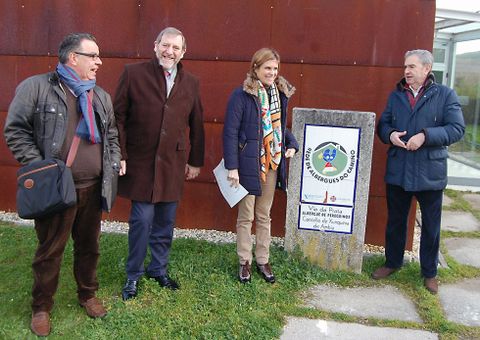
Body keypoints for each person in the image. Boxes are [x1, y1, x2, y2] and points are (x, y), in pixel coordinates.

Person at [4, 33, 121, 336]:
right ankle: (41, 307)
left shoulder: (101, 96)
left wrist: (112, 162)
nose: (99, 62)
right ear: (73, 58)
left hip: (93, 187)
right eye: (93, 56)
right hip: (56, 188)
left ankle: (88, 294)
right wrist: (41, 168)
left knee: (89, 247)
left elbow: (111, 137)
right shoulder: (36, 88)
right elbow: (16, 130)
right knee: (50, 250)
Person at [114, 27, 205, 300]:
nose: (170, 52)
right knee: (141, 220)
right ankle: (133, 275)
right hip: (140, 161)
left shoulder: (191, 82)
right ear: (155, 46)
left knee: (166, 220)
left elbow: (196, 123)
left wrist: (195, 161)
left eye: (176, 48)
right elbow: (117, 116)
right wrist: (119, 153)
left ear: (183, 52)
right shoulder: (133, 74)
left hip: (173, 163)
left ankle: (158, 269)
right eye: (166, 45)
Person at [373, 49, 465, 294]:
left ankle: (429, 272)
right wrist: (390, 135)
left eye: (412, 67)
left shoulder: (445, 95)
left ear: (426, 69)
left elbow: (457, 129)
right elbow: (384, 125)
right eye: (406, 66)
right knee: (395, 221)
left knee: (431, 226)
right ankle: (392, 263)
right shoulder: (396, 95)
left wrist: (425, 136)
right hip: (399, 169)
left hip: (430, 173)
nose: (406, 71)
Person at [223, 48, 298, 284]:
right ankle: (244, 261)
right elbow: (230, 133)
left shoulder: (279, 94)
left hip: (272, 163)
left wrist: (291, 143)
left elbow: (278, 128)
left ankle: (263, 260)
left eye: (275, 69)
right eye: (267, 68)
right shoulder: (242, 95)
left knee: (264, 215)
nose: (272, 73)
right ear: (255, 68)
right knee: (246, 217)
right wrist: (232, 167)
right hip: (247, 166)